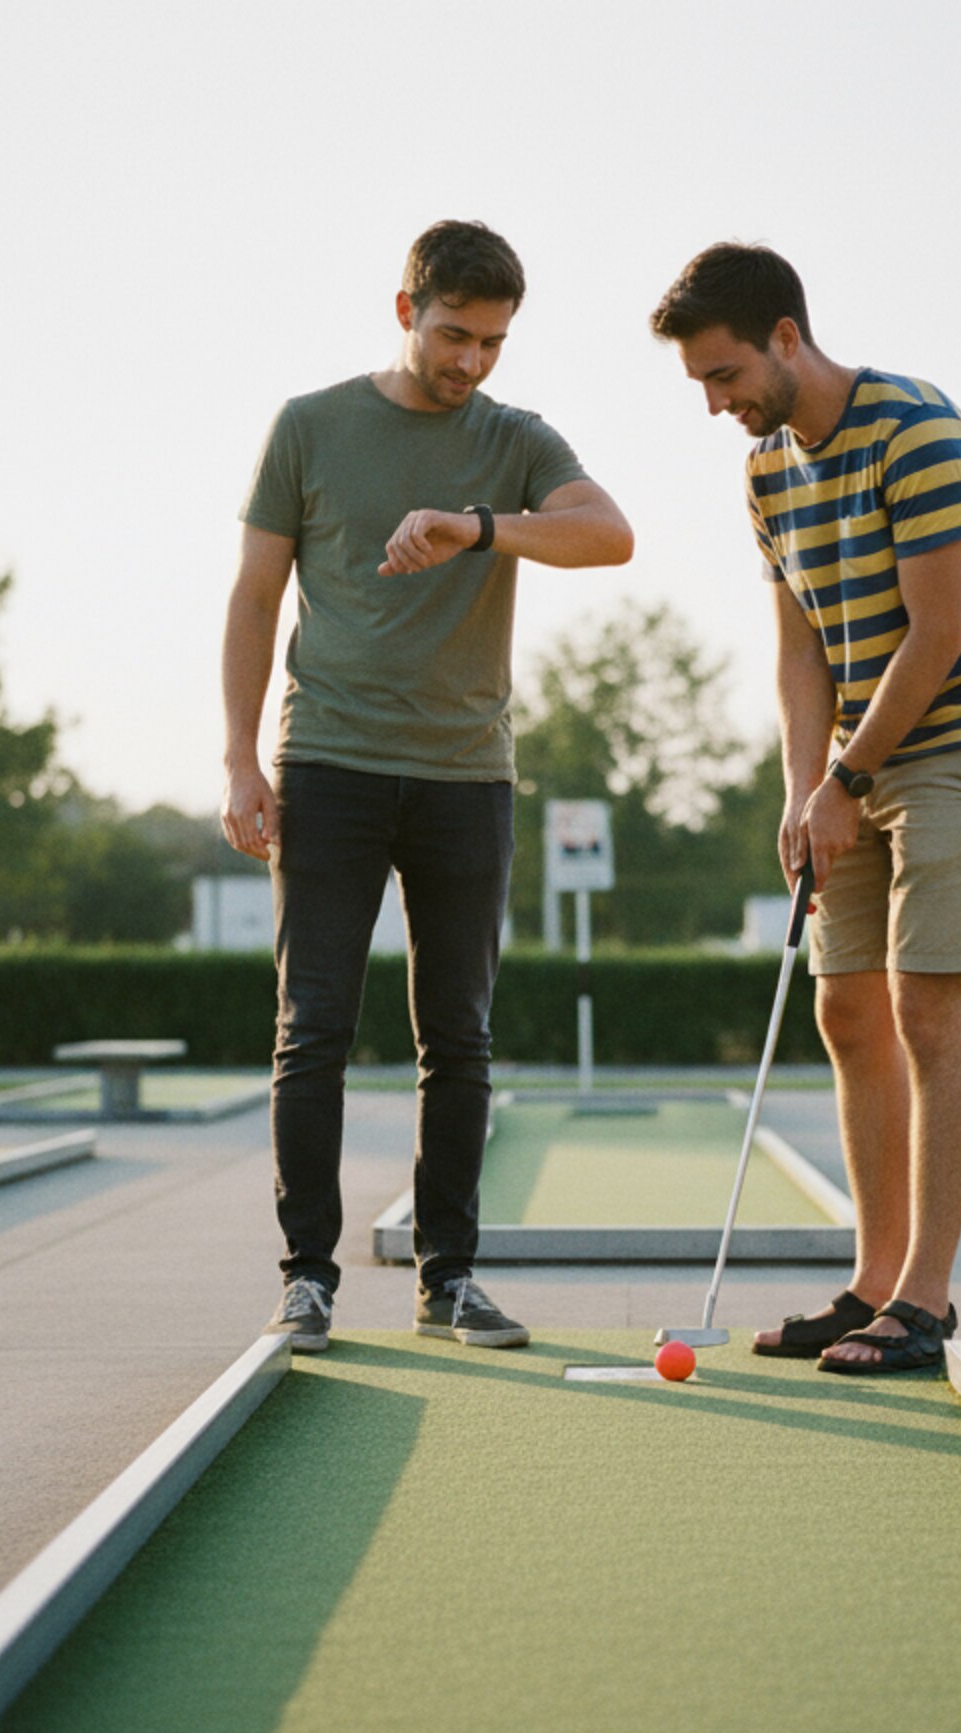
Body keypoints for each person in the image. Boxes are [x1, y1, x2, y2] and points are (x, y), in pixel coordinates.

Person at [221, 219, 632, 1352]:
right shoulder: (309, 426)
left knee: (459, 1038)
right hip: (329, 764)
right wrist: (239, 758)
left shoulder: (513, 439)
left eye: (492, 342)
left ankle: (449, 1277)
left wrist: (476, 528)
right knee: (313, 1028)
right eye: (454, 335)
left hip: (466, 775)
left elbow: (610, 535)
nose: (471, 362)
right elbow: (254, 596)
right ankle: (306, 1278)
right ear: (405, 309)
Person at [649, 243, 961, 1373]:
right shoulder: (766, 471)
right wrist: (800, 788)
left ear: (786, 336)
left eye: (724, 375)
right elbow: (798, 649)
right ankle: (872, 1283)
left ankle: (924, 1301)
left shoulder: (916, 430)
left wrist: (847, 781)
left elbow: (937, 633)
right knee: (846, 1014)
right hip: (853, 760)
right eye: (700, 384)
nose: (715, 404)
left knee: (925, 1009)